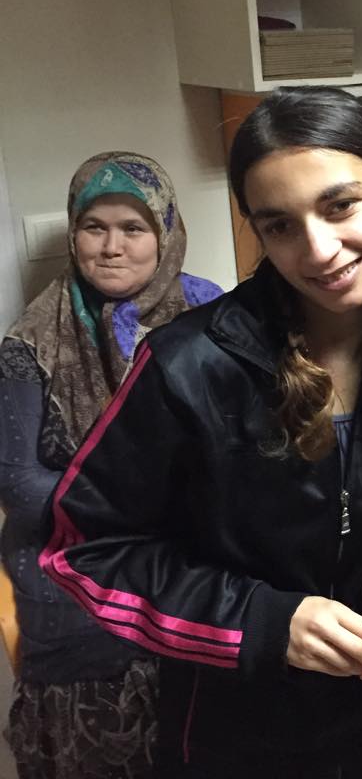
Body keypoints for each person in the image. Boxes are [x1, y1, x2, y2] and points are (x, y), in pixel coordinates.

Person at [39, 88, 362, 778]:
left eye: (340, 206)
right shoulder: (191, 364)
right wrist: (263, 621)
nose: (319, 249)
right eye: (280, 225)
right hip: (240, 740)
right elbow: (85, 550)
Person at [0, 151, 222, 778]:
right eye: (94, 227)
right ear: (73, 234)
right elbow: (19, 483)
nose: (112, 246)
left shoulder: (210, 314)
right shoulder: (30, 341)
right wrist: (140, 505)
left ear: (165, 234)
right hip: (75, 554)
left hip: (196, 542)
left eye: (133, 228)